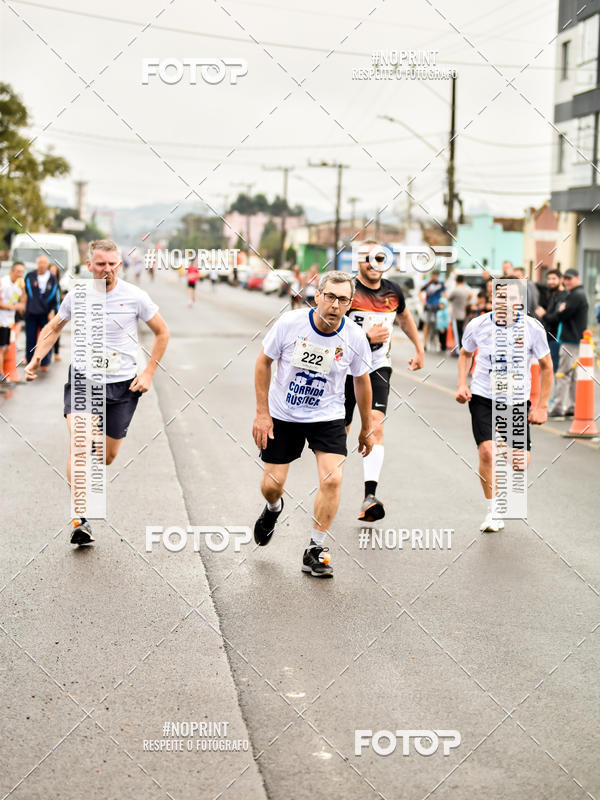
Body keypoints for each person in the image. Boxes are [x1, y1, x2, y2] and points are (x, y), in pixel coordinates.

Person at [24, 240, 170, 545]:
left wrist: (148, 373)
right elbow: (53, 327)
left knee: (106, 456)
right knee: (79, 445)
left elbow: (162, 332)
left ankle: (93, 451)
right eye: (101, 264)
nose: (108, 270)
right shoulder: (77, 295)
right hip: (84, 380)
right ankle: (80, 519)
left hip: (122, 385)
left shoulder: (135, 296)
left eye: (113, 264)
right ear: (89, 265)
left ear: (119, 264)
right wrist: (37, 356)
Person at [252, 271, 373, 578]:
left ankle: (315, 549)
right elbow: (263, 362)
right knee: (271, 486)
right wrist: (262, 413)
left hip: (328, 417)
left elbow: (361, 381)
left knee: (332, 480)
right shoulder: (290, 324)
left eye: (343, 299)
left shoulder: (355, 337)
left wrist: (366, 426)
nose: (335, 304)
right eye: (330, 296)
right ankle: (273, 509)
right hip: (284, 415)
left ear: (350, 303)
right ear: (318, 296)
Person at [456, 281, 553, 533]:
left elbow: (547, 367)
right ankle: (493, 512)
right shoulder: (477, 325)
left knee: (520, 463)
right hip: (483, 396)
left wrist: (541, 407)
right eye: (499, 297)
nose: (503, 302)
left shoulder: (532, 328)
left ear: (519, 302)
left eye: (510, 298)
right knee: (487, 453)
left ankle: (502, 444)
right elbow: (466, 353)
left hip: (516, 400)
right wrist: (461, 384)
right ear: (492, 299)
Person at [345, 242, 424, 521]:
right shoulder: (348, 291)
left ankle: (369, 496)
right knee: (339, 434)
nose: (373, 263)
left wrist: (419, 347)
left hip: (378, 367)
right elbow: (329, 331)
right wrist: (365, 339)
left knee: (375, 427)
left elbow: (404, 316)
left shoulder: (393, 291)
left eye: (379, 258)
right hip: (343, 371)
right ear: (358, 263)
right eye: (367, 259)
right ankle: (329, 485)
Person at [543, 269, 589, 418]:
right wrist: (561, 310)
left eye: (570, 279)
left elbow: (562, 315)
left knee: (563, 375)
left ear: (577, 278)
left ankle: (558, 408)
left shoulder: (575, 295)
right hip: (575, 340)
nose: (567, 282)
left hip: (570, 341)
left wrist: (560, 310)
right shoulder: (577, 294)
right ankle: (571, 407)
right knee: (572, 375)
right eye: (566, 279)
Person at [24, 255, 59, 372]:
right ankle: (29, 361)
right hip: (31, 312)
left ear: (47, 264)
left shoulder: (53, 278)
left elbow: (55, 297)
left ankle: (44, 362)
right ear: (37, 263)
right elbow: (28, 294)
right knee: (30, 338)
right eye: (40, 263)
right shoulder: (30, 276)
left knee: (45, 338)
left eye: (44, 263)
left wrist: (53, 311)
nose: (42, 265)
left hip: (46, 313)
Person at [535, 269, 567, 372]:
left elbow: (557, 318)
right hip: (547, 337)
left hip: (556, 339)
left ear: (561, 280)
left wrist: (544, 314)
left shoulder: (563, 296)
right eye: (549, 279)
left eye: (554, 279)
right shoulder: (552, 294)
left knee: (552, 369)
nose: (550, 281)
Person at [0, 262, 26, 388]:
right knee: (1, 348)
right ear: (12, 271)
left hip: (8, 321)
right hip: (1, 320)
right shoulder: (3, 283)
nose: (20, 274)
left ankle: (2, 374)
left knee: (5, 348)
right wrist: (13, 307)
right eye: (18, 272)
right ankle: (1, 375)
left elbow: (22, 301)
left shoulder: (18, 285)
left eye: (22, 272)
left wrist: (23, 290)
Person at [420, 269, 445, 351]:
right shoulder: (427, 283)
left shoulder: (441, 283)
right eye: (434, 275)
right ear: (431, 275)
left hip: (437, 307)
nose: (435, 277)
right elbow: (419, 292)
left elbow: (445, 293)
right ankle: (425, 343)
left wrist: (443, 302)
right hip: (428, 306)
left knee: (438, 325)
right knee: (426, 324)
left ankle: (436, 342)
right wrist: (423, 301)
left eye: (437, 276)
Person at [447, 274, 471, 353]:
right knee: (462, 332)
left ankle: (458, 351)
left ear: (456, 281)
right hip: (463, 314)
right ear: (463, 281)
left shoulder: (455, 290)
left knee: (457, 333)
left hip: (456, 314)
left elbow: (449, 298)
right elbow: (471, 296)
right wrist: (467, 302)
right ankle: (462, 348)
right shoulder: (467, 290)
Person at [49, 264, 63, 360]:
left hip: (57, 311)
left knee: (57, 332)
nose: (53, 273)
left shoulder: (58, 284)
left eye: (55, 271)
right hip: (48, 311)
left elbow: (58, 298)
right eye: (51, 271)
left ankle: (56, 353)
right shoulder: (47, 283)